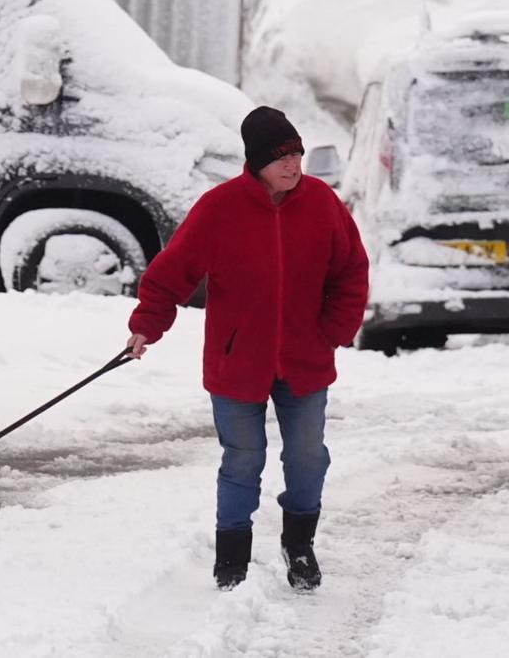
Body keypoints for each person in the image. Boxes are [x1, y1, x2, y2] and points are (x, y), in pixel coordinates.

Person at [125, 106, 369, 591]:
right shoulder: (220, 208)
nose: (293, 164)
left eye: (297, 153)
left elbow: (351, 271)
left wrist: (333, 331)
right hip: (237, 362)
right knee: (242, 459)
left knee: (306, 457)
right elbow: (172, 272)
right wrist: (147, 325)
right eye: (281, 156)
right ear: (256, 161)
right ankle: (231, 558)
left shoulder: (322, 204)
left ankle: (299, 546)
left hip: (305, 359)